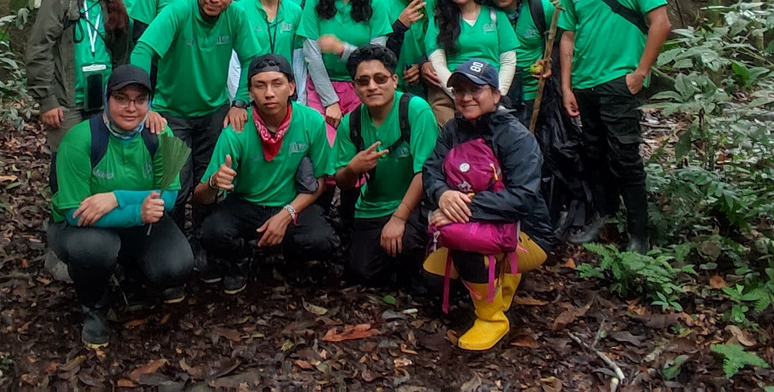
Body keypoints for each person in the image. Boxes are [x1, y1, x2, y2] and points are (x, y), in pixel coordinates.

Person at [47, 65, 194, 346]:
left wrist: (117, 198)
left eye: (140, 100)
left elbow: (170, 197)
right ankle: (94, 307)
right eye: (121, 99)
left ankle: (131, 276)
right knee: (94, 248)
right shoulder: (80, 140)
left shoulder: (161, 136)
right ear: (106, 99)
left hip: (137, 221)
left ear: (150, 103)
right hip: (81, 228)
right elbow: (75, 213)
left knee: (177, 265)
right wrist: (137, 210)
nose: (131, 108)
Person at [129, 0, 260, 259]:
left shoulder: (235, 17)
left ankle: (203, 244)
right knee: (175, 183)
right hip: (171, 111)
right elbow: (143, 50)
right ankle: (174, 249)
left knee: (209, 182)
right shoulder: (178, 10)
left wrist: (241, 101)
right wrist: (144, 103)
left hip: (214, 110)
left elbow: (253, 58)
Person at [558, 0, 670, 253]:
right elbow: (567, 37)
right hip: (585, 82)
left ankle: (640, 235)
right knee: (594, 154)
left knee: (625, 156)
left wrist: (639, 73)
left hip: (620, 79)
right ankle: (603, 217)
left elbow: (661, 23)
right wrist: (565, 86)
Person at [422, 60, 554, 351]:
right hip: (472, 219)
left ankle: (492, 317)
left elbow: (523, 197)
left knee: (461, 241)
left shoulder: (515, 136)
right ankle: (496, 275)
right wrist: (443, 194)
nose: (466, 97)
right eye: (459, 90)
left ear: (495, 94)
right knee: (431, 281)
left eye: (475, 89)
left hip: (526, 232)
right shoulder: (454, 129)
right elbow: (431, 169)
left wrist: (462, 207)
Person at [195, 55, 339, 294]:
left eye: (277, 84)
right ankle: (239, 259)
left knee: (322, 241)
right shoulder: (236, 129)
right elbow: (200, 196)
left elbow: (321, 181)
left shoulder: (311, 121)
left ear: (292, 87)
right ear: (250, 92)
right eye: (260, 86)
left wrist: (286, 214)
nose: (269, 93)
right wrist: (213, 182)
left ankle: (292, 259)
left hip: (292, 203)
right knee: (212, 232)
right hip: (246, 203)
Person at [333, 45, 438, 287]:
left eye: (380, 79)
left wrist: (399, 218)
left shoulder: (415, 110)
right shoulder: (352, 123)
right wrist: (353, 168)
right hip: (371, 207)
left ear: (394, 80)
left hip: (414, 206)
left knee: (409, 246)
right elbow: (341, 181)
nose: (372, 86)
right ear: (355, 86)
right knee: (360, 273)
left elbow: (426, 171)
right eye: (363, 81)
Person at [26, 0, 132, 153]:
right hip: (67, 101)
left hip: (103, 98)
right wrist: (47, 100)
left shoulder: (115, 4)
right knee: (69, 160)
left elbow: (121, 56)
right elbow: (40, 49)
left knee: (100, 159)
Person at [425, 0, 518, 125]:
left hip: (489, 89)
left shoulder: (495, 16)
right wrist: (457, 94)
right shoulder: (439, 21)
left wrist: (497, 94)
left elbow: (508, 60)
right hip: (452, 90)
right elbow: (438, 64)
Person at [298, 0, 374, 137]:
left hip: (364, 86)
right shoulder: (313, 2)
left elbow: (377, 59)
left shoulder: (376, 4)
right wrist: (330, 101)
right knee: (325, 149)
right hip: (321, 87)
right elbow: (311, 54)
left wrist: (342, 49)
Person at [481, 0, 556, 125]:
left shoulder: (540, 8)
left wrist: (550, 63)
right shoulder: (482, 14)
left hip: (536, 93)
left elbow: (560, 42)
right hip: (497, 92)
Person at [231, 0, 305, 106]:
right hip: (251, 91)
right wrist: (239, 100)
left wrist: (301, 98)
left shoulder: (295, 11)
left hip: (284, 91)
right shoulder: (239, 10)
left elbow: (298, 58)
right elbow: (233, 61)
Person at [370, 0, 438, 98]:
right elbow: (376, 52)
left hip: (432, 84)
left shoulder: (438, 0)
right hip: (393, 86)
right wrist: (399, 26)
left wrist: (422, 65)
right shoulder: (382, 3)